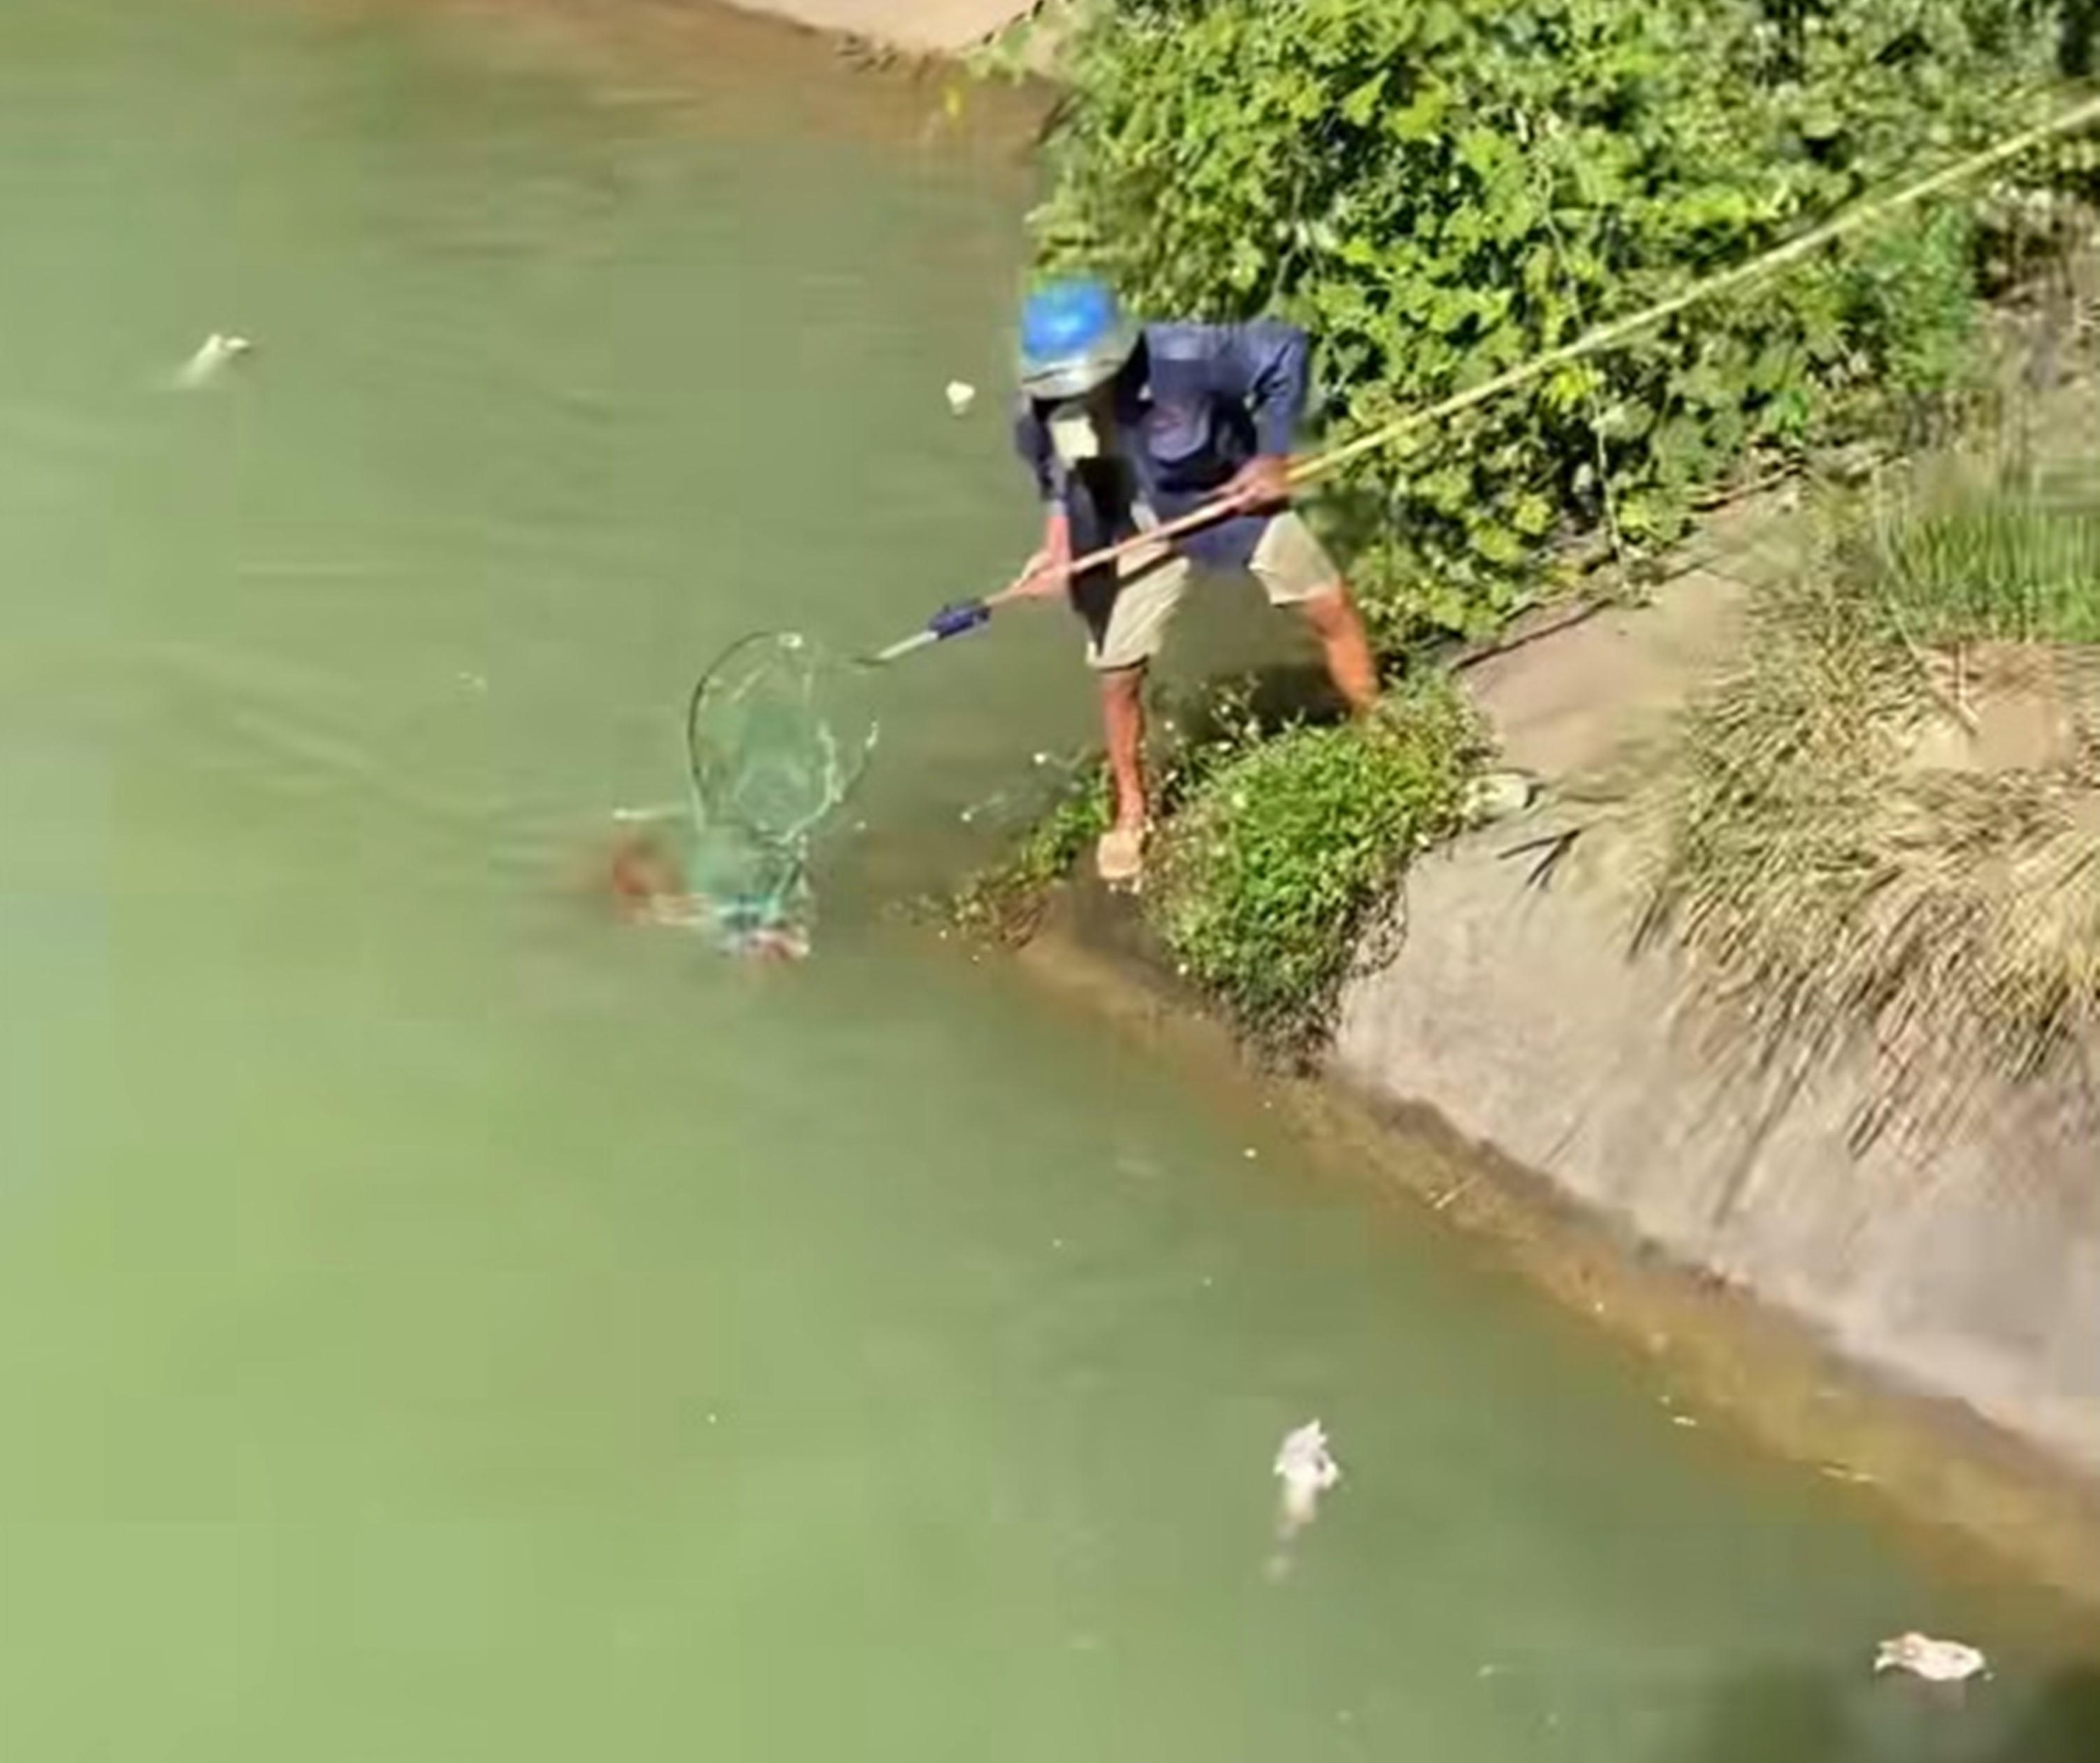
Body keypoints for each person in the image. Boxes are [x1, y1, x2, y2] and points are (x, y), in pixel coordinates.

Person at [1010, 276, 1380, 885]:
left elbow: (1286, 350)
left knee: (1328, 604)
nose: (1072, 398)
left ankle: (1379, 729)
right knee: (1115, 674)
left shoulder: (1189, 354)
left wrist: (1272, 456)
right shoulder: (1038, 411)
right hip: (1136, 526)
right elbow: (1058, 482)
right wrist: (1056, 548)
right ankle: (1132, 810)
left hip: (1230, 500)